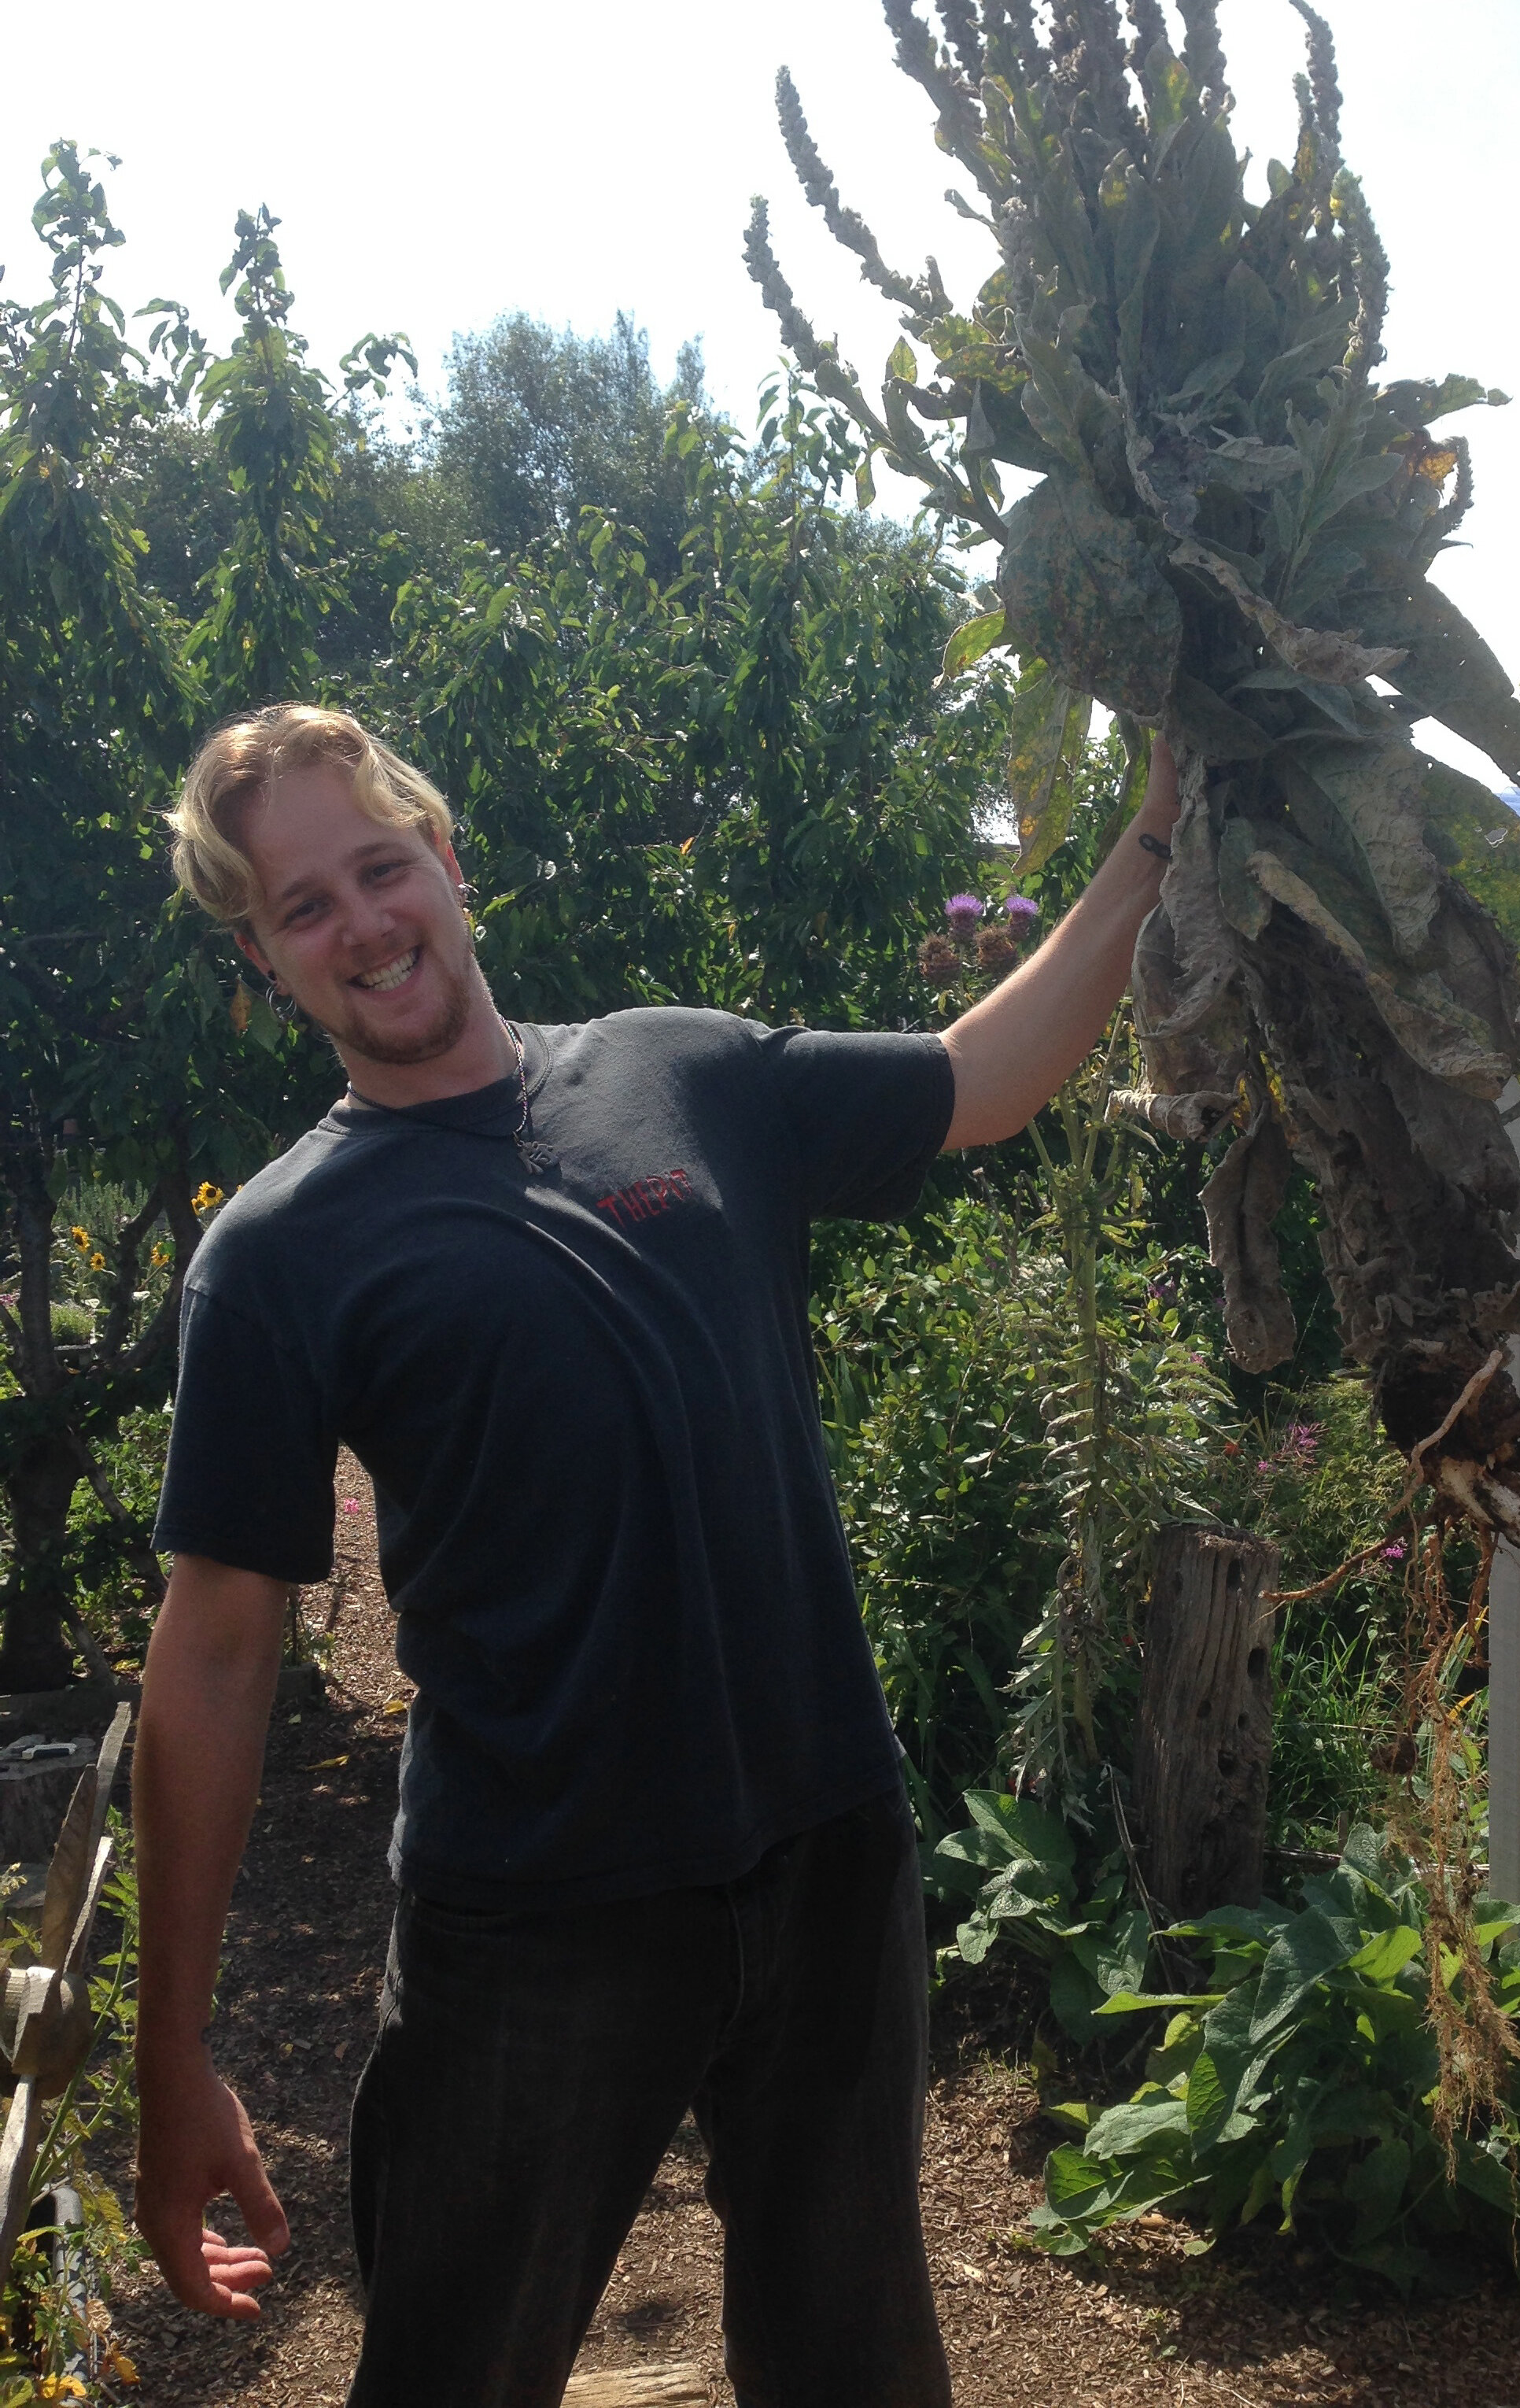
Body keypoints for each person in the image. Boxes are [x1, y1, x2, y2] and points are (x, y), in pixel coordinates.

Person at [132, 702, 1180, 2408]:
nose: (363, 925)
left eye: (380, 868)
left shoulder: (679, 1070)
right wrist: (172, 2056)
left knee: (853, 2362)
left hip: (825, 1849)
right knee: (456, 2373)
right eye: (302, 907)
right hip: (534, 1910)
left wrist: (1158, 830)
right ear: (263, 957)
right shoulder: (276, 1255)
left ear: (446, 860)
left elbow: (982, 1080)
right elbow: (216, 1655)